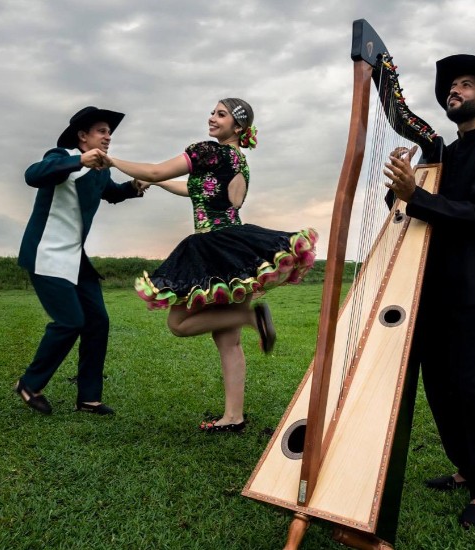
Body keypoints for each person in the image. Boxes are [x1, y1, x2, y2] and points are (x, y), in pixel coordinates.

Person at [109, 98, 318, 433]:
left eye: (221, 114)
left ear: (238, 127)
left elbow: (154, 169)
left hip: (212, 244)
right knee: (228, 340)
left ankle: (253, 317)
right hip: (237, 246)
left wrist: (110, 159)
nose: (212, 118)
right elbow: (194, 191)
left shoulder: (208, 151)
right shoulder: (238, 159)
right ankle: (233, 416)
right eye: (213, 112)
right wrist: (159, 183)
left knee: (178, 323)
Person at [382, 55, 475, 528]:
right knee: (439, 388)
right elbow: (412, 206)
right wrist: (401, 185)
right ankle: (465, 469)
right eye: (450, 87)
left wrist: (415, 195)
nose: (454, 92)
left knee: (470, 388)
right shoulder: (443, 154)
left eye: (465, 85)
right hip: (431, 287)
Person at [15, 106, 143, 416]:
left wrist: (133, 188)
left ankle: (89, 398)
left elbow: (109, 192)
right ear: (82, 137)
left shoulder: (102, 170)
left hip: (76, 260)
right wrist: (77, 160)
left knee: (98, 321)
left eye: (109, 132)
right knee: (71, 321)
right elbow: (33, 175)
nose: (108, 136)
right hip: (46, 255)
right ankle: (29, 385)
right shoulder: (61, 156)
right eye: (101, 130)